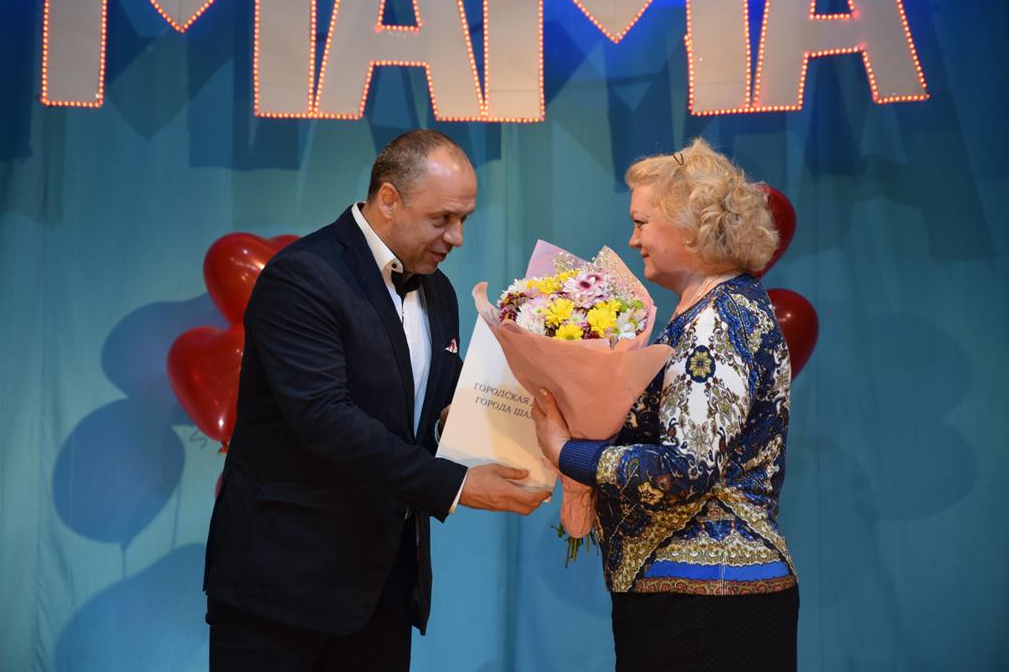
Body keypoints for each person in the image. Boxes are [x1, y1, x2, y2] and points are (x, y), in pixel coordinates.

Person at [203, 129, 549, 671]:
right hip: (283, 587)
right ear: (388, 199)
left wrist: (505, 422)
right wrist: (456, 484)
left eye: (464, 219)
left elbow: (435, 400)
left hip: (382, 586)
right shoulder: (303, 276)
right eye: (442, 219)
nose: (457, 237)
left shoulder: (438, 290)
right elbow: (325, 419)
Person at [533, 138, 799, 671]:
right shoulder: (720, 308)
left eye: (641, 223)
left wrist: (567, 452)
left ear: (691, 227)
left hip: (706, 607)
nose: (632, 239)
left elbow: (686, 469)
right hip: (704, 600)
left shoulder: (714, 323)